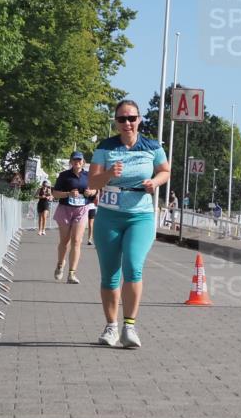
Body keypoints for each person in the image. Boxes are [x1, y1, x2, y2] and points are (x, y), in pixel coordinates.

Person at [88, 99, 170, 349]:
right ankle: (111, 327)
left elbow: (165, 170)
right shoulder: (105, 148)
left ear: (139, 120)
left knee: (133, 266)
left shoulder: (152, 147)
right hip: (109, 216)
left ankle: (130, 327)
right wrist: (110, 174)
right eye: (122, 119)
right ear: (115, 121)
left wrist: (155, 182)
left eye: (131, 118)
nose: (127, 123)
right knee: (110, 275)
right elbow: (92, 182)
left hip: (140, 216)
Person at [52, 151, 96, 284]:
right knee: (65, 241)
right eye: (75, 160)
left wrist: (91, 192)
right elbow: (55, 194)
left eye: (80, 160)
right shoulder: (64, 176)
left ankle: (72, 274)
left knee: (77, 241)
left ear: (83, 162)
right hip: (65, 209)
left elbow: (96, 190)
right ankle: (60, 264)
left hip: (82, 209)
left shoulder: (88, 176)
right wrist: (68, 194)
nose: (77, 162)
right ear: (71, 162)